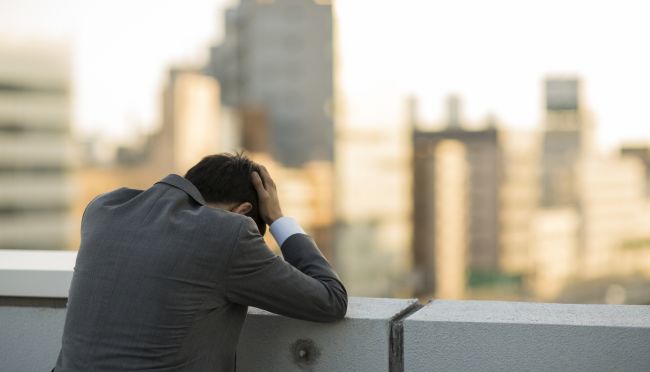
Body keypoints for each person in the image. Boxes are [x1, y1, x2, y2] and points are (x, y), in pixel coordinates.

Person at [53, 153, 347, 372]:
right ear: (242, 212)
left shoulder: (104, 209)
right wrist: (278, 220)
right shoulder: (229, 232)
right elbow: (330, 299)